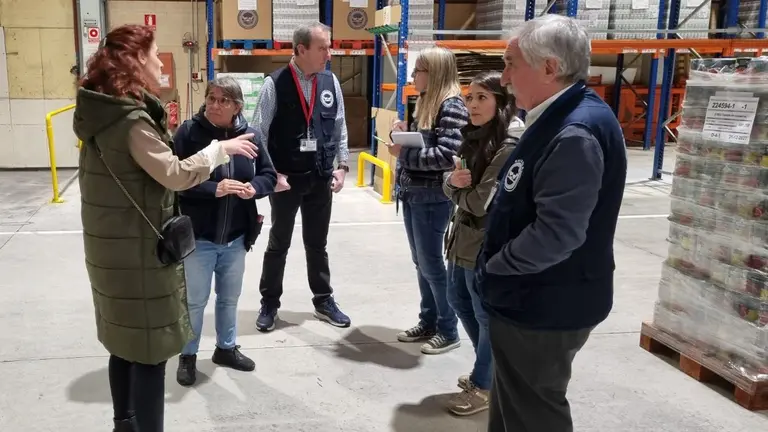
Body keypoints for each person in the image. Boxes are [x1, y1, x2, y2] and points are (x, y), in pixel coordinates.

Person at [73, 24, 259, 432]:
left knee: (123, 344)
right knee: (150, 352)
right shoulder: (131, 121)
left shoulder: (102, 112)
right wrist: (219, 150)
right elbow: (173, 173)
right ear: (137, 59)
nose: (160, 62)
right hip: (137, 255)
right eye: (156, 54)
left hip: (113, 250)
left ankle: (124, 423)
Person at [475, 15, 627, 432]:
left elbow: (556, 235)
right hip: (532, 298)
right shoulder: (556, 116)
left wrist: (495, 267)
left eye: (511, 64)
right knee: (514, 408)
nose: (504, 78)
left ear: (549, 67)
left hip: (544, 304)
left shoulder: (575, 131)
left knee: (533, 414)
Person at [172, 77, 277, 387]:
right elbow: (173, 182)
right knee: (195, 301)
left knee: (229, 298)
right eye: (211, 98)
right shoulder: (189, 133)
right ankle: (188, 355)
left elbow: (269, 175)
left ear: (237, 107)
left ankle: (226, 348)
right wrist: (212, 189)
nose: (215, 105)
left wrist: (254, 188)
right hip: (199, 238)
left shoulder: (251, 136)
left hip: (236, 237)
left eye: (223, 101)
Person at [251, 22, 351, 332]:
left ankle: (323, 300)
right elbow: (258, 133)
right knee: (278, 243)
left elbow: (339, 125)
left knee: (317, 243)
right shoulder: (275, 84)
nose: (328, 54)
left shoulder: (330, 81)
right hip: (286, 180)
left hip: (320, 177)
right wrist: (271, 174)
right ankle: (269, 303)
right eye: (322, 48)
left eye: (329, 47)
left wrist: (342, 166)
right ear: (301, 50)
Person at [442, 71, 524, 416]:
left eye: (481, 97)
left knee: (483, 313)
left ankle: (485, 383)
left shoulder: (508, 146)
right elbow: (453, 183)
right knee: (457, 299)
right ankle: (489, 369)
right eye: (469, 97)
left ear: (501, 102)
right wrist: (451, 182)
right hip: (463, 237)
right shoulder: (476, 138)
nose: (472, 105)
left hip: (485, 242)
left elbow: (478, 202)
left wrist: (452, 187)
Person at [389, 46, 469, 355]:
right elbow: (427, 144)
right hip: (414, 194)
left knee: (432, 264)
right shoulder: (426, 102)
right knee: (421, 262)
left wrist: (404, 154)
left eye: (418, 71)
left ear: (433, 74)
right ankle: (429, 320)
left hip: (433, 197)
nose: (413, 76)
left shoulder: (452, 106)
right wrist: (404, 134)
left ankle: (448, 330)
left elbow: (448, 155)